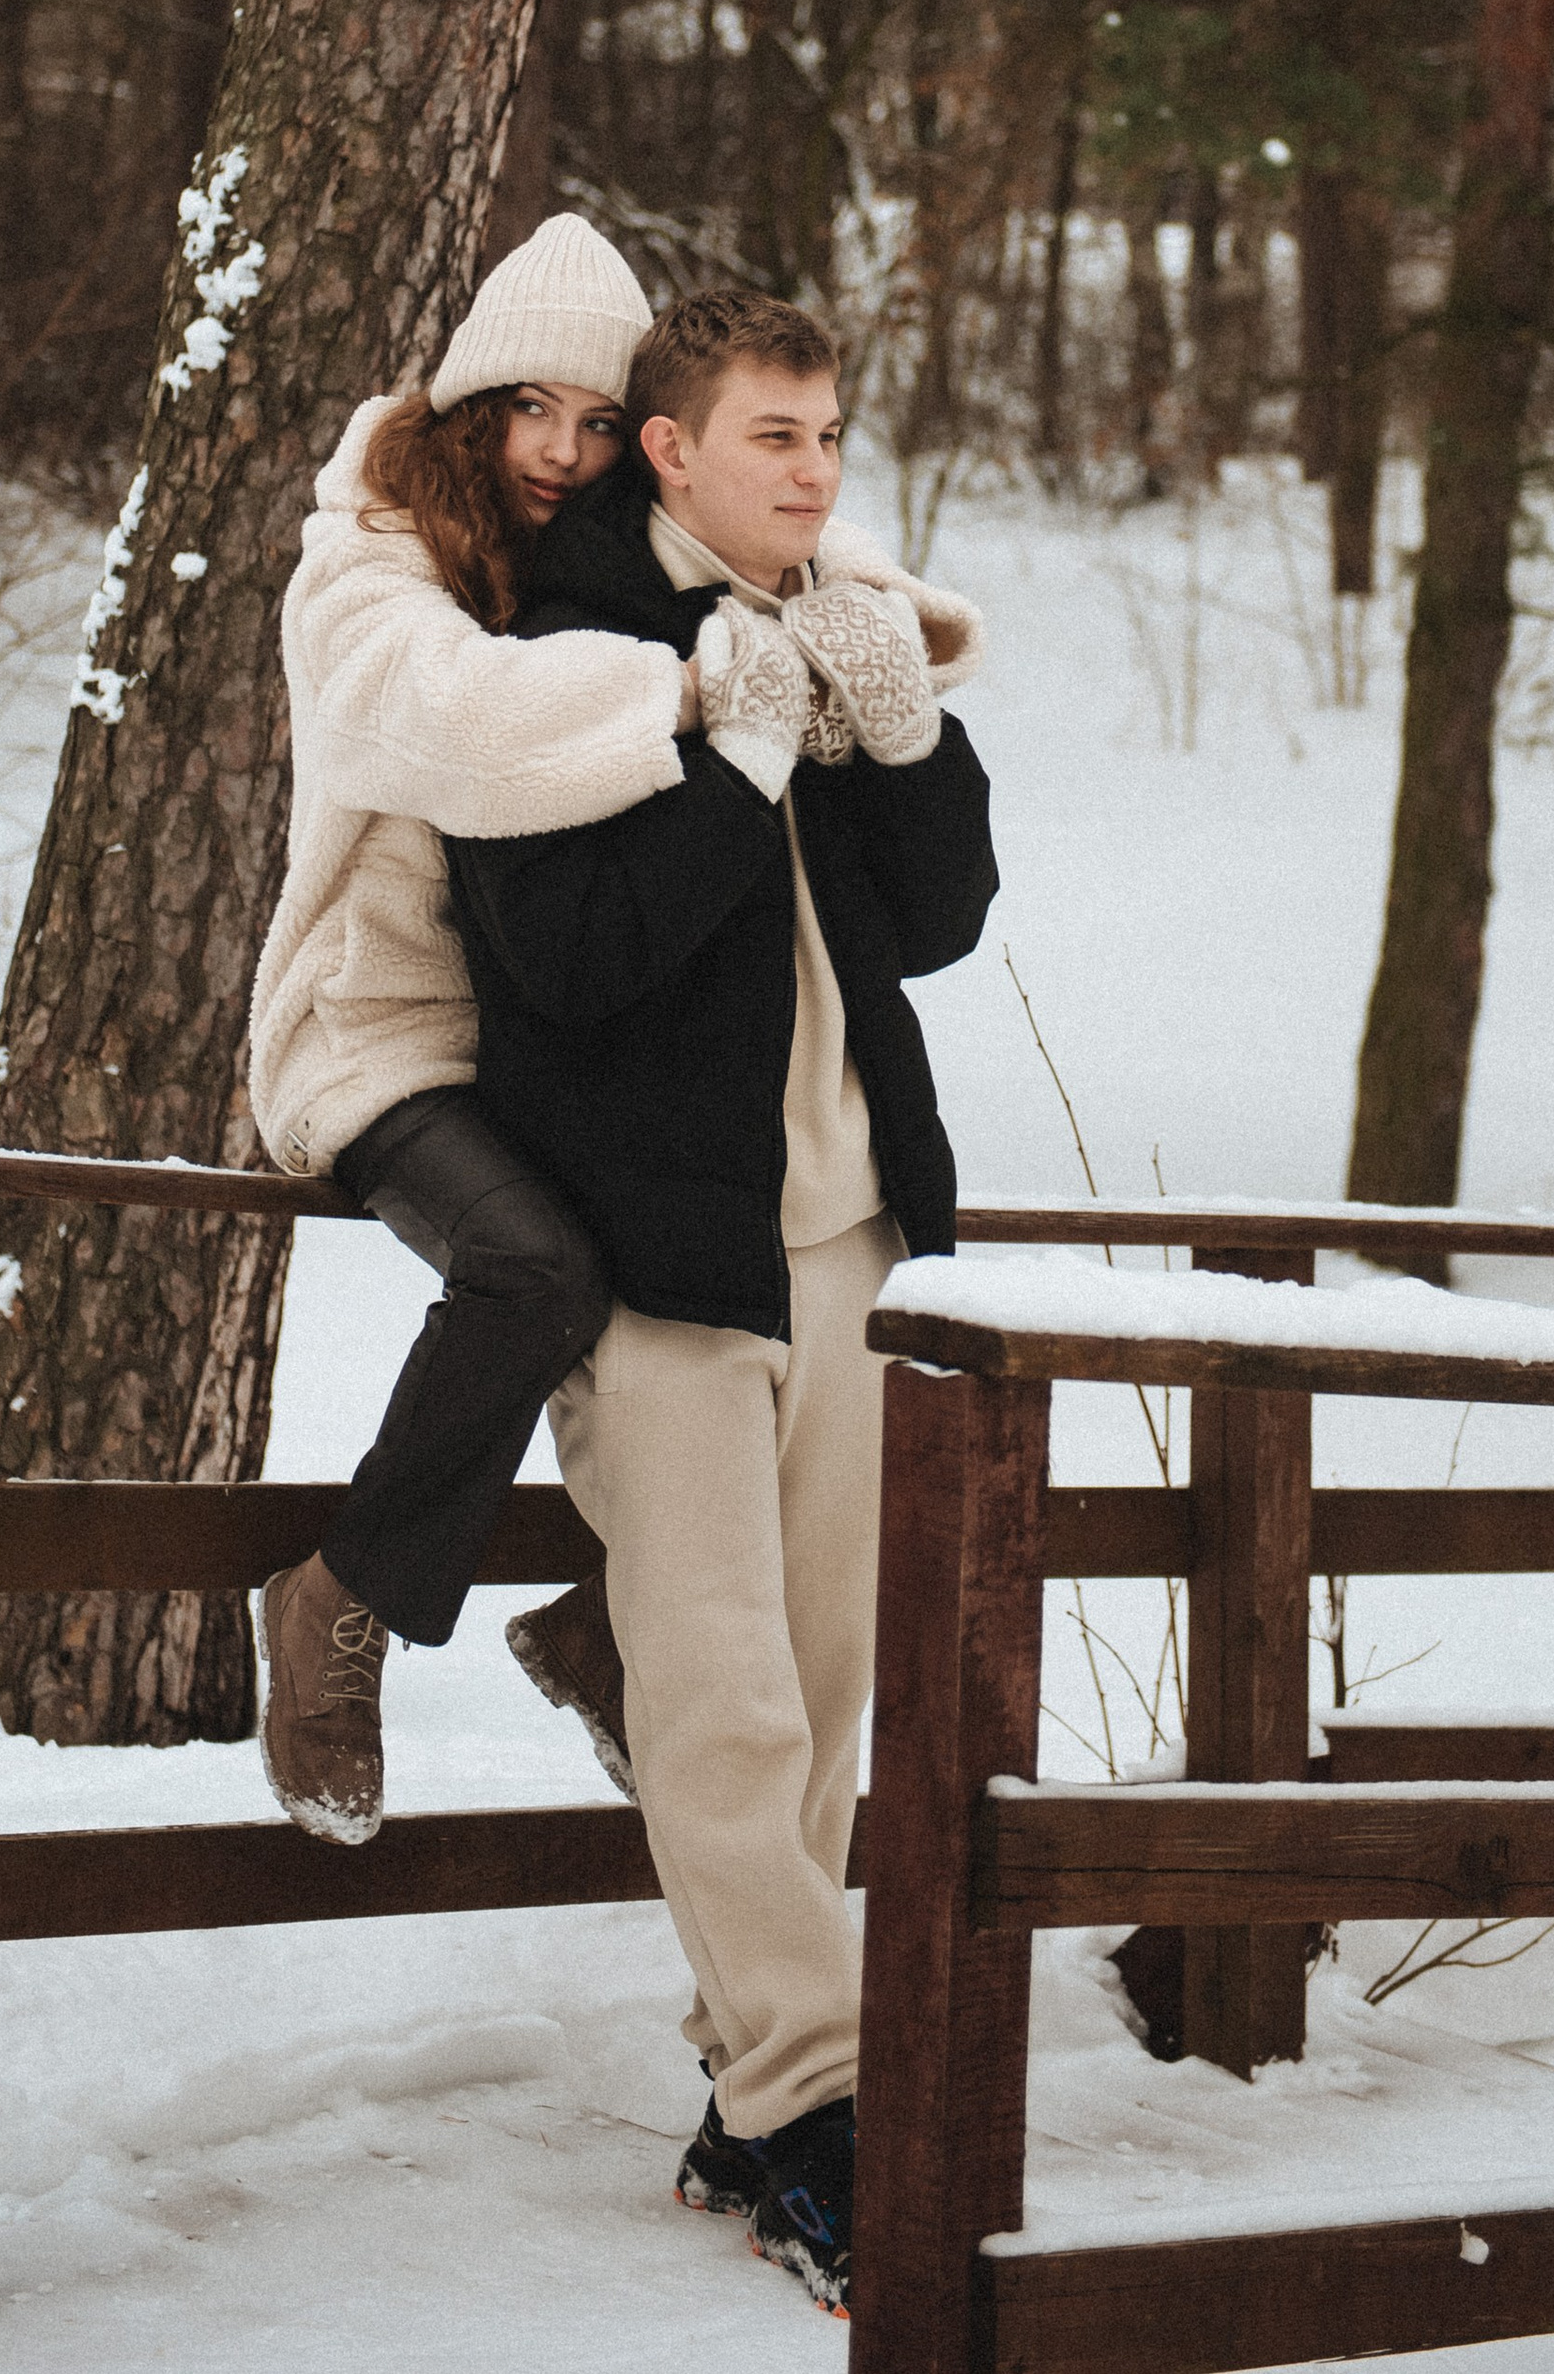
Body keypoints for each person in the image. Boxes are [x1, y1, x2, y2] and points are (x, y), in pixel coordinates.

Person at [440, 287, 994, 2314]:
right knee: (722, 1689)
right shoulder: (553, 647)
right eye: (774, 433)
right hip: (659, 1254)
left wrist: (893, 726)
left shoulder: (835, 609)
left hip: (843, 1231)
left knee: (828, 1679)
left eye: (831, 433)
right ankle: (814, 2096)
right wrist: (726, 758)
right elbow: (568, 961)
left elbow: (933, 921)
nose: (815, 470)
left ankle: (744, 2106)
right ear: (666, 445)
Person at [247, 216, 821, 1840]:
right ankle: (339, 1598)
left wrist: (876, 628)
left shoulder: (583, 563)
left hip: (514, 1059)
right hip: (371, 1041)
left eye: (594, 419)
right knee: (539, 1270)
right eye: (526, 412)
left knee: (675, 1274)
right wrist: (709, 689)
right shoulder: (368, 571)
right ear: (464, 406)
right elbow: (463, 725)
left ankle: (595, 1624)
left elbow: (780, 536)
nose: (560, 455)